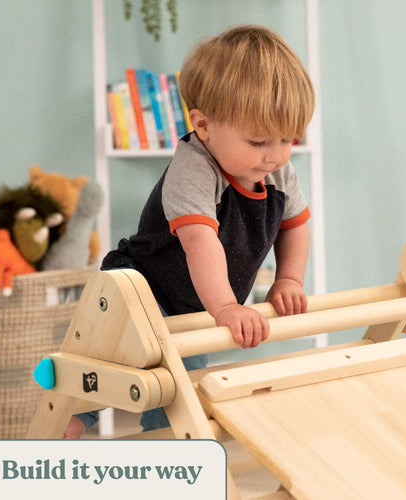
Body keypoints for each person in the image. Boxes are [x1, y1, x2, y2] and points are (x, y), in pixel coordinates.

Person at [63, 23, 314, 438]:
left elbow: (295, 226)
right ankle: (73, 418)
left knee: (179, 399)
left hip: (196, 304)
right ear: (203, 125)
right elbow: (201, 242)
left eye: (286, 139)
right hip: (141, 290)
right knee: (111, 364)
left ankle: (167, 459)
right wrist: (227, 308)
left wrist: (289, 278)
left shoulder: (277, 170)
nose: (275, 155)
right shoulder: (194, 168)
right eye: (258, 142)